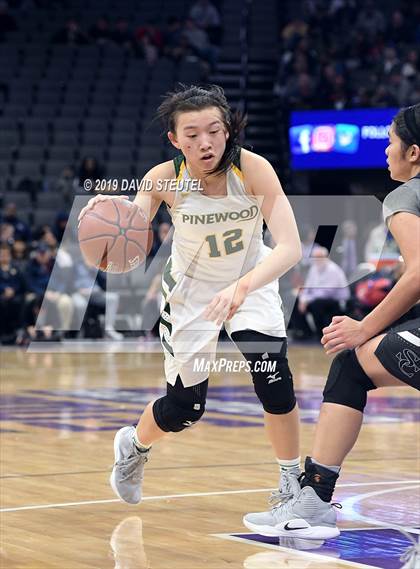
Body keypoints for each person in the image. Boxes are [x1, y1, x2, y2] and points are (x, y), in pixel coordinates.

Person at [79, 84, 302, 506]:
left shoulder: (253, 170)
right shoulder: (162, 178)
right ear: (175, 140)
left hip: (251, 281)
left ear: (228, 131)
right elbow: (133, 235)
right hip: (192, 292)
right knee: (185, 408)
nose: (206, 142)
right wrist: (114, 223)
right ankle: (134, 447)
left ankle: (291, 483)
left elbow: (291, 248)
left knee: (273, 377)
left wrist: (241, 287)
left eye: (215, 130)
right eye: (193, 133)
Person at [242, 103, 420, 568]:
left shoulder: (405, 197)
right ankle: (312, 500)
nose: (385, 151)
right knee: (353, 366)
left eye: (391, 142)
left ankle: (315, 502)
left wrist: (365, 325)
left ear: (414, 153)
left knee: (350, 362)